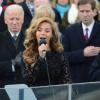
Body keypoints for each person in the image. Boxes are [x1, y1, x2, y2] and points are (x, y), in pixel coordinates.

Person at [22, 17, 71, 87]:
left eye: (47, 31)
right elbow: (28, 81)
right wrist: (41, 58)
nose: (43, 33)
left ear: (52, 35)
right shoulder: (27, 54)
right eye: (39, 30)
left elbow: (67, 80)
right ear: (34, 33)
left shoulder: (60, 54)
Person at [62, 0, 100, 83]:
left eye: (87, 11)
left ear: (94, 12)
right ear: (78, 12)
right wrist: (82, 53)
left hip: (97, 81)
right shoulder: (70, 31)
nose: (85, 14)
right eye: (82, 11)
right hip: (77, 82)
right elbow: (63, 57)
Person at [0, 4, 25, 87]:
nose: (14, 22)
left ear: (23, 20)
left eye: (17, 19)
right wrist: (12, 64)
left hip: (26, 89)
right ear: (5, 20)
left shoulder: (31, 39)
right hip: (3, 90)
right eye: (11, 19)